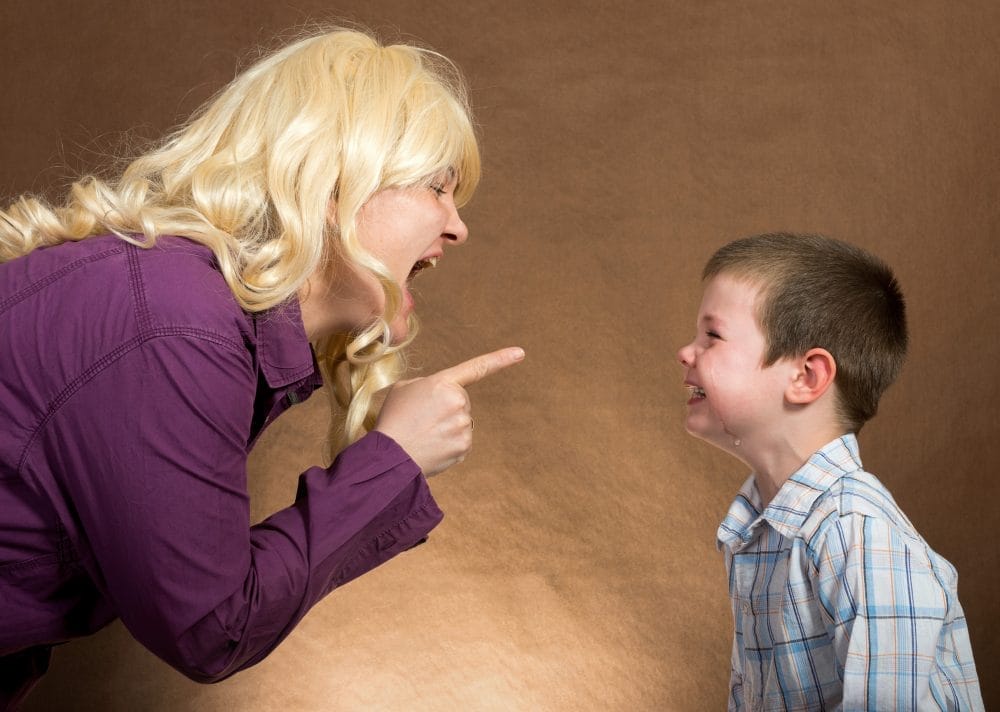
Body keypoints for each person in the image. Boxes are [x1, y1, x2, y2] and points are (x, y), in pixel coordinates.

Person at [0, 27, 523, 707]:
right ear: (332, 187)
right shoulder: (175, 329)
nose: (458, 226)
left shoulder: (185, 306)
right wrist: (394, 458)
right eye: (436, 188)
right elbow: (213, 628)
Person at [676, 233, 983, 710]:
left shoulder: (857, 533)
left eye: (712, 336)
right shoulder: (762, 529)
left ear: (807, 377)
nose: (685, 352)